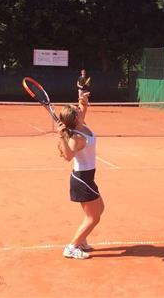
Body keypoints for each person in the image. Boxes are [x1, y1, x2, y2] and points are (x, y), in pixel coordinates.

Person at [57, 92, 104, 260]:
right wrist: (61, 136)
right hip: (82, 179)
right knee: (94, 217)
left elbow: (83, 108)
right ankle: (72, 247)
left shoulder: (81, 125)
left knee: (100, 209)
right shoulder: (76, 137)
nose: (79, 110)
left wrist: (83, 101)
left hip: (88, 177)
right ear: (75, 118)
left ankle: (81, 240)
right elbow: (68, 156)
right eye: (77, 110)